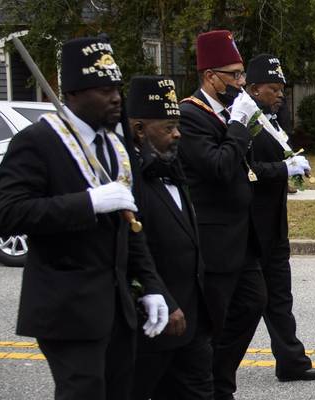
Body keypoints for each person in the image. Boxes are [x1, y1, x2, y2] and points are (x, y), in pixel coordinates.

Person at [0, 36, 172, 400]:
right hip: (67, 307)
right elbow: (6, 214)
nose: (116, 98)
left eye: (117, 88)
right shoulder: (38, 141)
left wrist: (152, 286)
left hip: (118, 308)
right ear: (72, 93)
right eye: (103, 90)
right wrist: (87, 203)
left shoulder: (114, 146)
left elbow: (130, 227)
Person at [176, 30, 267, 400]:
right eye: (234, 75)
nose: (241, 82)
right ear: (211, 76)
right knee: (213, 320)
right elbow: (218, 166)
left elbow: (242, 163)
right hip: (213, 239)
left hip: (241, 237)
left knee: (253, 302)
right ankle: (213, 387)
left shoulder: (231, 112)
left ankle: (221, 378)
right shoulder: (190, 115)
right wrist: (237, 127)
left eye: (242, 74)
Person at [126, 76, 218, 399]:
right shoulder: (128, 177)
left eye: (177, 125)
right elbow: (134, 251)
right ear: (139, 129)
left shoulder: (170, 165)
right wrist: (163, 297)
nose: (177, 133)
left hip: (192, 319)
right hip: (155, 323)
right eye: (167, 127)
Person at [244, 54, 315, 382]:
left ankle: (291, 361)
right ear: (253, 89)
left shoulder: (272, 120)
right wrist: (284, 168)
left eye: (282, 89)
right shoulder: (244, 123)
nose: (280, 95)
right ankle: (211, 364)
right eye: (273, 89)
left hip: (274, 224)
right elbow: (245, 170)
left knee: (280, 296)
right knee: (247, 302)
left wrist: (293, 168)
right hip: (249, 227)